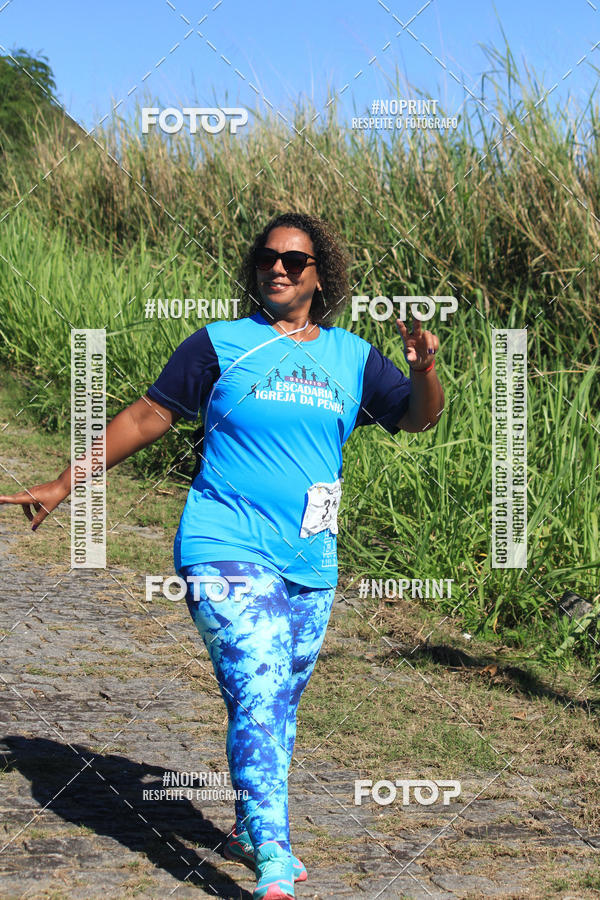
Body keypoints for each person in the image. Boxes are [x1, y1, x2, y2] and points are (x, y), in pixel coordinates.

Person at [0, 211, 444, 899]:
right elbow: (146, 415)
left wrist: (424, 371)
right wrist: (65, 482)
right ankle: (273, 854)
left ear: (320, 276)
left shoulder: (352, 357)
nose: (278, 268)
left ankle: (245, 823)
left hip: (311, 559)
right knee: (260, 684)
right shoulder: (219, 345)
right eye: (267, 257)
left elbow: (419, 417)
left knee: (277, 700)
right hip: (223, 543)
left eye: (294, 261)